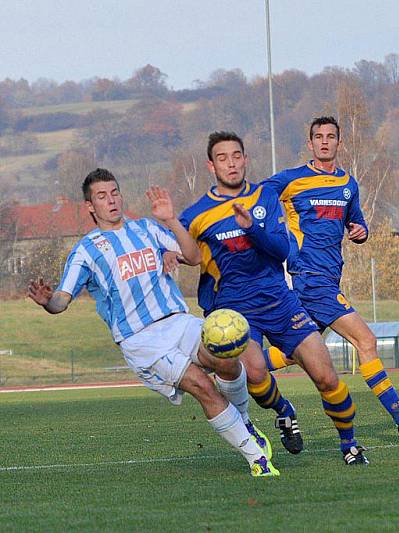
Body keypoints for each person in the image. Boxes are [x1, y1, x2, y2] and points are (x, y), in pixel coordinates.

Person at [27, 169, 278, 477]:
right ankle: (257, 459)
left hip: (178, 321)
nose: (111, 200)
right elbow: (61, 302)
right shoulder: (86, 251)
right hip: (141, 339)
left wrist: (171, 220)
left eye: (115, 192)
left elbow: (194, 256)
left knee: (226, 358)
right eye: (102, 196)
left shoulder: (146, 228)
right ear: (90, 206)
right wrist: (47, 302)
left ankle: (243, 422)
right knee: (202, 386)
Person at [180, 131, 367, 465]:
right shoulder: (196, 215)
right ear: (211, 165)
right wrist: (171, 252)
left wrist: (252, 227)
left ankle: (349, 445)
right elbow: (184, 250)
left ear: (245, 159)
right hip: (234, 311)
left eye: (236, 156)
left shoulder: (264, 198)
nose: (231, 163)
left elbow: (282, 249)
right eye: (222, 158)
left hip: (280, 301)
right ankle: (284, 410)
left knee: (326, 376)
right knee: (255, 375)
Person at [263, 116, 399, 439]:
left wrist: (361, 232)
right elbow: (258, 197)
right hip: (309, 277)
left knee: (294, 352)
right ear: (310, 143)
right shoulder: (292, 180)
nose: (324, 142)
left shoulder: (348, 185)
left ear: (339, 143)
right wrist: (271, 234)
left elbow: (356, 224)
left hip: (330, 278)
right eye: (318, 136)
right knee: (366, 341)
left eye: (330, 136)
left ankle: (236, 367)